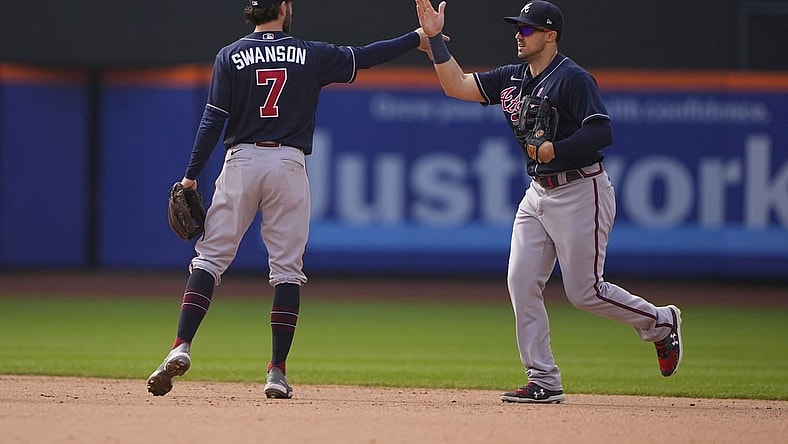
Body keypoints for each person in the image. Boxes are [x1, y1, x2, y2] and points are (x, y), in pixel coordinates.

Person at [147, 0, 431, 399]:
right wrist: (417, 38)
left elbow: (213, 118)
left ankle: (180, 346)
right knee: (286, 270)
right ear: (283, 8)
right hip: (288, 162)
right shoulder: (310, 53)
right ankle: (276, 372)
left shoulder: (230, 55)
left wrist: (191, 176)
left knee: (209, 258)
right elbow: (365, 57)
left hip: (242, 160)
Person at [415, 0, 683, 403]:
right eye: (518, 28)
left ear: (550, 34)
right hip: (537, 193)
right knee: (520, 281)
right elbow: (456, 85)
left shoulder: (573, 79)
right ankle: (543, 378)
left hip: (581, 189)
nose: (518, 35)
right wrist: (435, 40)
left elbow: (601, 132)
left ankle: (661, 322)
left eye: (527, 29)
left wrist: (554, 149)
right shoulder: (512, 79)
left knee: (585, 292)